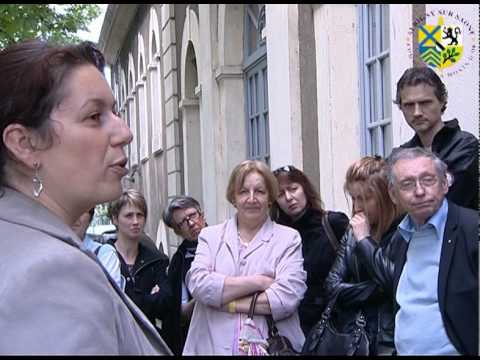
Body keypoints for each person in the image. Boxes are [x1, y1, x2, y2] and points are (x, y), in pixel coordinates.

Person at [0, 39, 170, 354]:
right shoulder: (49, 273)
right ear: (23, 143)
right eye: (94, 116)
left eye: (115, 111)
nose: (124, 132)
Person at [354, 147, 478, 355]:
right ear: (393, 195)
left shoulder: (471, 229)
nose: (419, 191)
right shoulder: (402, 237)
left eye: (428, 180)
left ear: (445, 184)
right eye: (407, 184)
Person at [183, 160, 307, 355]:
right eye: (243, 192)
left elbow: (287, 297)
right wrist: (258, 282)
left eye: (259, 191)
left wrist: (226, 302)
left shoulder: (288, 239)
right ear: (233, 197)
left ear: (270, 197)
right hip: (211, 346)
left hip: (270, 346)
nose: (251, 198)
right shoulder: (211, 237)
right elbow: (199, 285)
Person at [324, 156, 404, 355]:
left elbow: (396, 284)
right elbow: (332, 287)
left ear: (386, 196)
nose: (358, 207)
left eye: (366, 198)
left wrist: (365, 240)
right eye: (354, 198)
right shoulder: (352, 233)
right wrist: (375, 289)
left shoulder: (404, 230)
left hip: (391, 339)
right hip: (354, 336)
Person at [271, 165, 349, 336]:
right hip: (294, 328)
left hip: (335, 325)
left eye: (293, 189)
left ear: (304, 188)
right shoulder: (276, 237)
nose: (289, 198)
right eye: (281, 194)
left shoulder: (333, 223)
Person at [393, 66, 478, 210]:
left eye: (425, 103)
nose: (417, 112)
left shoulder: (465, 146)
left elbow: (445, 206)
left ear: (442, 101)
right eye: (409, 105)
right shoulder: (400, 155)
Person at [108, 189, 174, 348]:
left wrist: (129, 298)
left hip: (147, 342)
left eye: (140, 215)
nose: (136, 221)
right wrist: (148, 297)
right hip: (114, 342)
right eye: (129, 216)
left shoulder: (156, 259)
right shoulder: (104, 257)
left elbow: (166, 303)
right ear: (115, 219)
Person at [162, 195, 207, 355]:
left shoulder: (227, 241)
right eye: (182, 222)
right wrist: (208, 291)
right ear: (176, 230)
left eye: (193, 215)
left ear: (202, 214)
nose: (191, 223)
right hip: (198, 336)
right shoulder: (179, 262)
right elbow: (182, 313)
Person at [72, 207, 125, 290]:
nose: (75, 218)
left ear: (90, 217)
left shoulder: (104, 254)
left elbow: (110, 298)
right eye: (70, 210)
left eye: (82, 211)